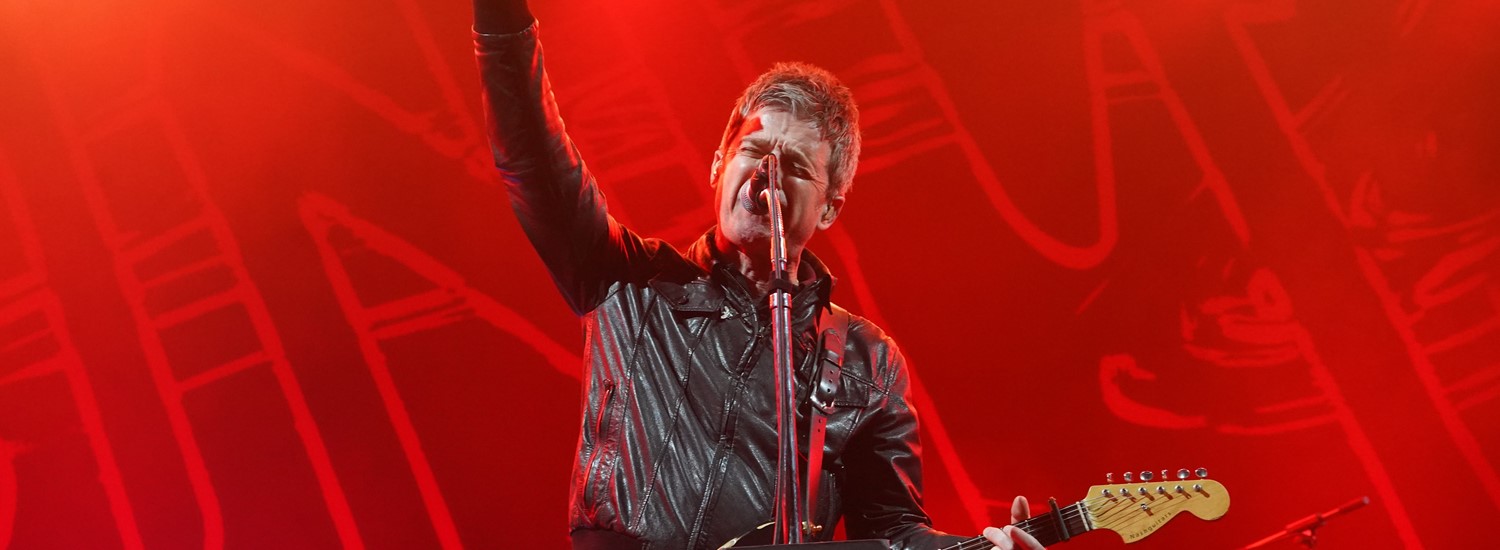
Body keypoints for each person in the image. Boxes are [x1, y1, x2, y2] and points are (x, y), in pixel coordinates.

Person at [472, 2, 1045, 549]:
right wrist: (502, 19)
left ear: (829, 207)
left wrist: (983, 549)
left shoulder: (868, 362)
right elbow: (529, 151)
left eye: (794, 166)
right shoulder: (628, 279)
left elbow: (893, 531)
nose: (767, 174)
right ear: (719, 166)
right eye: (754, 151)